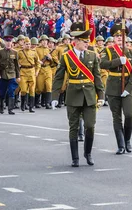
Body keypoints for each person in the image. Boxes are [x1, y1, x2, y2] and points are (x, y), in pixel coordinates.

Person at [52, 22, 104, 166]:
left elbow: (97, 77)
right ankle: (75, 158)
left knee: (90, 125)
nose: (87, 44)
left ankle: (88, 153)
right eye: (84, 41)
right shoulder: (66, 57)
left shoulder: (92, 56)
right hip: (73, 95)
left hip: (89, 96)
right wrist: (55, 97)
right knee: (73, 127)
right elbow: (58, 77)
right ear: (76, 42)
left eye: (87, 41)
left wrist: (101, 95)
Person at [100, 25, 132, 154]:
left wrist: (129, 88)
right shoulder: (108, 51)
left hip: (127, 87)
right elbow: (102, 64)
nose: (119, 39)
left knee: (129, 115)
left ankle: (127, 140)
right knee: (117, 117)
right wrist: (117, 61)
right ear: (113, 38)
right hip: (113, 88)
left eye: (122, 36)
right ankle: (121, 145)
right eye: (117, 37)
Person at [0, 36, 20, 115]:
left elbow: (16, 66)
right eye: (7, 42)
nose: (8, 43)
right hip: (3, 75)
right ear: (4, 43)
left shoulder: (15, 52)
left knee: (11, 91)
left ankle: (10, 109)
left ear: (12, 43)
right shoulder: (0, 52)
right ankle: (1, 107)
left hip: (12, 74)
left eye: (10, 42)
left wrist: (18, 76)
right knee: (2, 92)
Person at [17, 37, 40, 112]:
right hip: (23, 72)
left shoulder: (33, 52)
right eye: (26, 44)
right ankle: (23, 104)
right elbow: (15, 62)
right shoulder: (20, 52)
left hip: (32, 72)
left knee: (32, 90)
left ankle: (31, 107)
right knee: (23, 90)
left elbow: (38, 63)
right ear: (23, 44)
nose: (28, 45)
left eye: (29, 44)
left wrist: (37, 71)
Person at [35, 35, 54, 109]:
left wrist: (50, 58)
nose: (44, 42)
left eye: (46, 40)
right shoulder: (37, 49)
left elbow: (53, 63)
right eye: (43, 40)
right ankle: (36, 102)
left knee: (49, 86)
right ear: (40, 42)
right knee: (39, 87)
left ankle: (47, 103)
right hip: (40, 69)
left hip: (48, 68)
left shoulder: (49, 50)